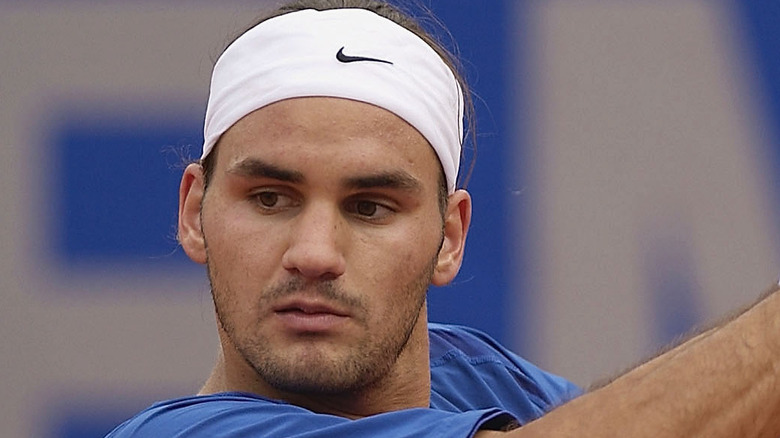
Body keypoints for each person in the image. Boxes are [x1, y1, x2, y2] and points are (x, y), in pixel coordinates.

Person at [107, 1, 780, 437]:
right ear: (194, 212)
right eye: (270, 199)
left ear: (449, 238)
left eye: (369, 207)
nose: (313, 253)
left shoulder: (471, 374)